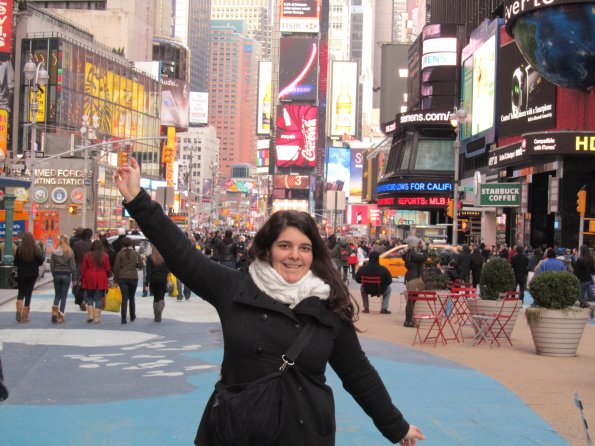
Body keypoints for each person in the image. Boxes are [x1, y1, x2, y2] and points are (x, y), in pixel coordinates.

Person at [115, 158, 425, 446]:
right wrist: (138, 201)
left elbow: (358, 373)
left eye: (304, 248)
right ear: (268, 249)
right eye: (285, 245)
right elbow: (183, 255)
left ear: (314, 254)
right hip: (240, 430)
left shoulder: (328, 305)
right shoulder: (236, 288)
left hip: (304, 433)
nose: (294, 256)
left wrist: (396, 426)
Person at [13, 232, 45, 323]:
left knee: (21, 292)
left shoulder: (19, 249)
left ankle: (18, 310)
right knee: (28, 293)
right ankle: (25, 315)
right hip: (32, 274)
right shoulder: (35, 249)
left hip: (21, 273)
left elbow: (15, 262)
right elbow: (41, 261)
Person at [81, 240, 111, 323]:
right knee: (99, 297)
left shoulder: (87, 255)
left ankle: (90, 315)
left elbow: (83, 268)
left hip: (89, 277)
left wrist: (82, 278)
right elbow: (107, 268)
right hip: (101, 277)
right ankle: (97, 317)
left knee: (89, 296)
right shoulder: (105, 256)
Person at [113, 237, 142, 324]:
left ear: (122, 244)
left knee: (124, 298)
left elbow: (116, 267)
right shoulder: (136, 254)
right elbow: (141, 265)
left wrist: (116, 279)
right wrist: (136, 265)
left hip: (123, 277)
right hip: (133, 277)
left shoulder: (120, 254)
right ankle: (132, 315)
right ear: (131, 244)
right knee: (132, 297)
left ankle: (123, 318)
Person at [50, 234, 76, 323]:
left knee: (57, 295)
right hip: (66, 274)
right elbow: (73, 266)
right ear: (67, 241)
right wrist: (74, 276)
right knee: (64, 296)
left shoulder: (55, 252)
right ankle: (61, 316)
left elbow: (52, 265)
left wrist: (54, 274)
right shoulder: (70, 251)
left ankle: (54, 312)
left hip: (57, 274)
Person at [403, 240, 428, 328]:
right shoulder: (413, 254)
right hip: (414, 278)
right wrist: (424, 247)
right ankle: (408, 321)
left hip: (409, 277)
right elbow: (424, 257)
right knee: (411, 300)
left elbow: (403, 254)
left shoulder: (407, 253)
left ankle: (408, 321)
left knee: (411, 300)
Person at [146, 245, 169, 322]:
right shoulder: (164, 257)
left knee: (155, 297)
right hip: (162, 279)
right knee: (161, 296)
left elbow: (148, 271)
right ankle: (160, 309)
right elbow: (167, 270)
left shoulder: (150, 257)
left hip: (153, 279)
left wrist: (146, 283)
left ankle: (156, 315)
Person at [72, 228, 93, 311]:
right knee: (87, 285)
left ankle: (80, 300)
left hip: (78, 266)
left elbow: (73, 256)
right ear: (90, 235)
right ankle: (85, 300)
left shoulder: (76, 244)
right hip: (89, 267)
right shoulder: (92, 245)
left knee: (78, 284)